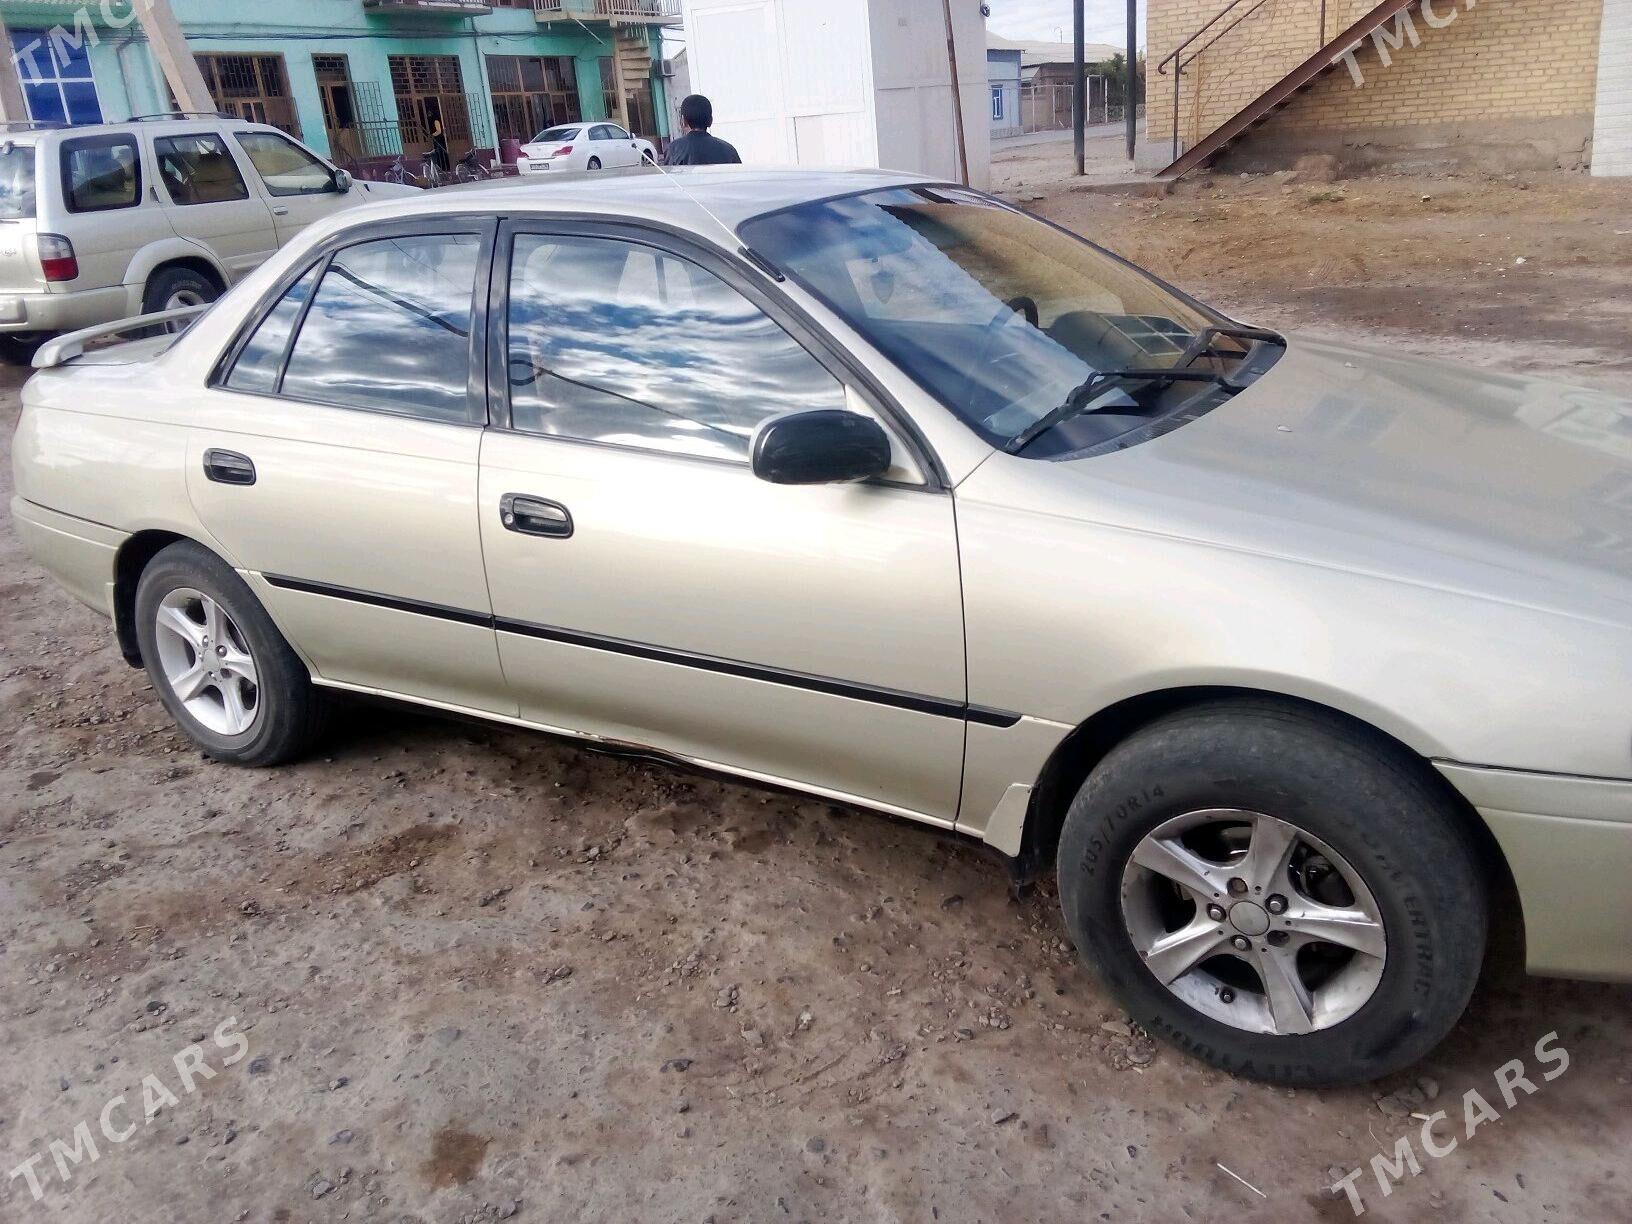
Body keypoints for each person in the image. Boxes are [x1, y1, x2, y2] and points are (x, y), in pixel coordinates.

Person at [662, 95, 741, 167]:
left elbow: (669, 179)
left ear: (683, 121)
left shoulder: (673, 149)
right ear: (710, 121)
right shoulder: (729, 150)